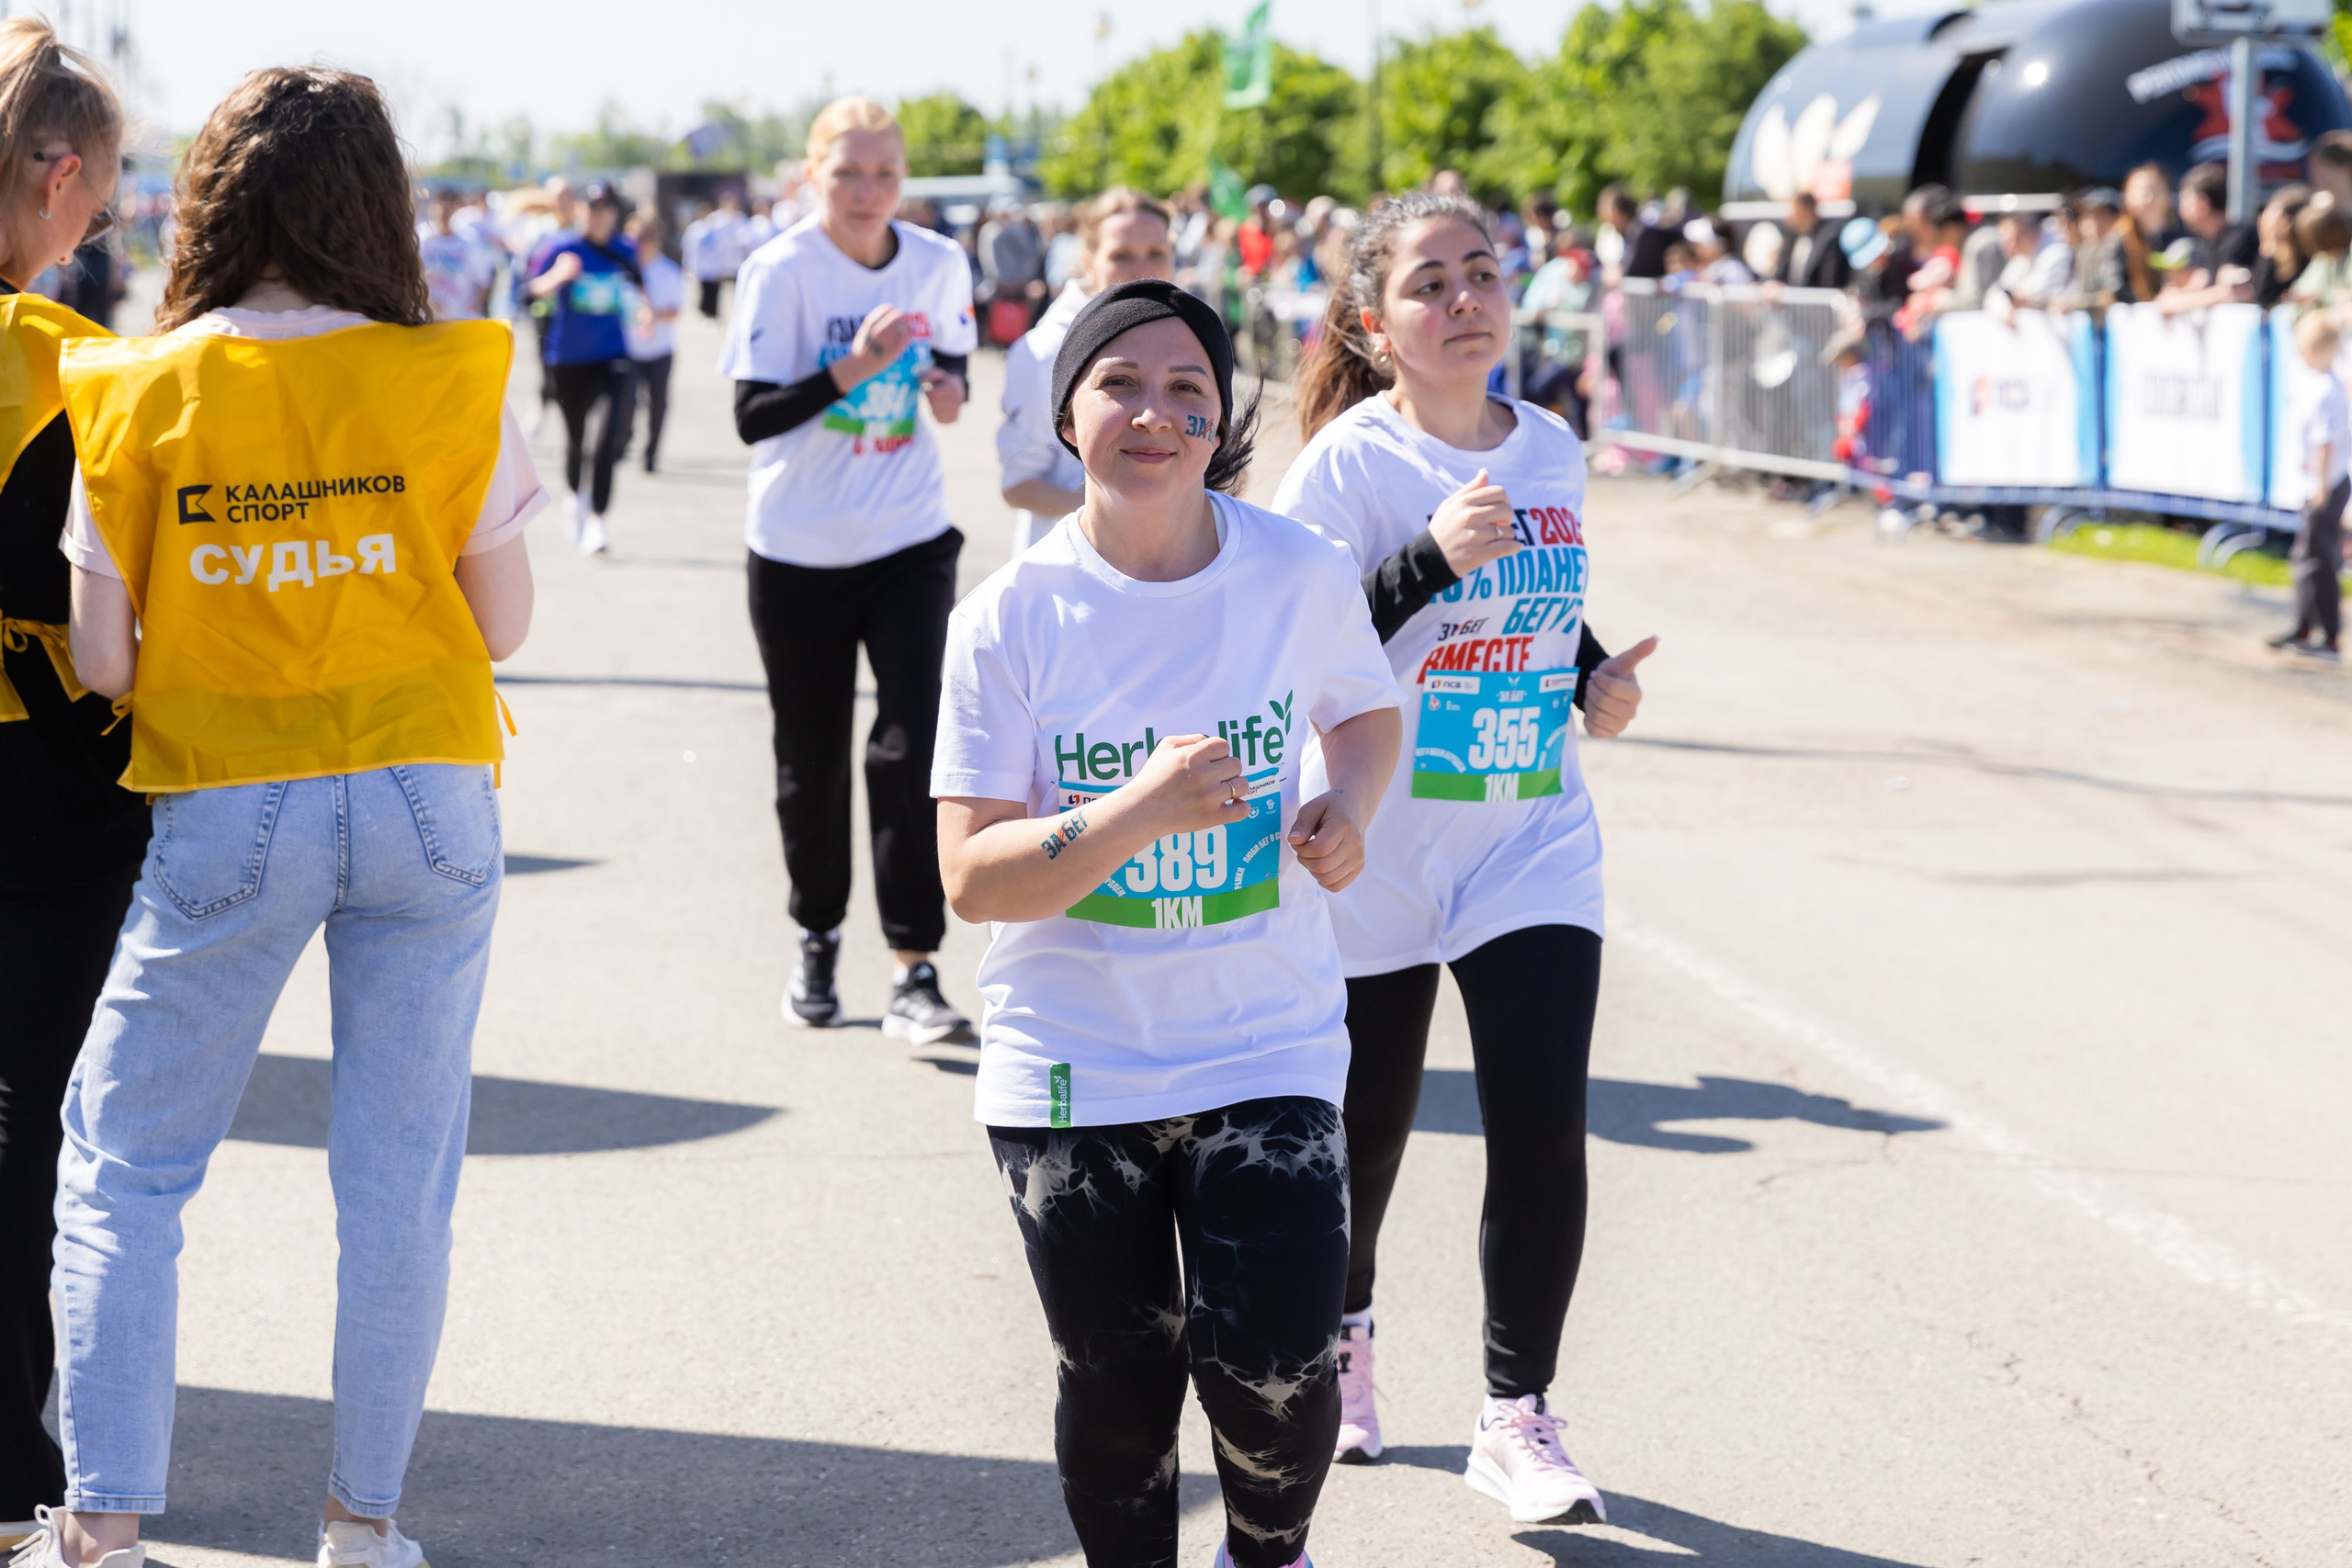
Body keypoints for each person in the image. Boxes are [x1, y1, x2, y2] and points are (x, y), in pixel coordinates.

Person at [27, 63, 541, 1568]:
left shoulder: (135, 387)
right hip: (429, 796)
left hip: (225, 801)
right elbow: (503, 622)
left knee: (125, 1169)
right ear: (378, 204)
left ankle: (103, 1527)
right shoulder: (449, 373)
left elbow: (104, 659)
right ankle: (361, 1523)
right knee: (397, 1188)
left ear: (210, 200)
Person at [933, 276, 1403, 1568]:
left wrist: (1350, 802)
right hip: (1074, 1059)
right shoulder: (1008, 618)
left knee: (1279, 1373)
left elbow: (1364, 713)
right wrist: (1134, 811)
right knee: (1119, 1389)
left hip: (1266, 1036)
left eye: (1187, 388)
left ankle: (1269, 1553)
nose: (1155, 412)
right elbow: (972, 876)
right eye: (1120, 385)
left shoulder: (1296, 571)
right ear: (1067, 416)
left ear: (1222, 418)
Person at [1274, 190, 1656, 1523]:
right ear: (1377, 328)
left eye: (1482, 273)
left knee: (1541, 1121)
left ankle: (1516, 1414)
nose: (1464, 300)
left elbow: (1540, 604)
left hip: (1525, 833)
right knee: (1364, 1131)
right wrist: (1426, 561)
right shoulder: (1347, 469)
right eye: (1430, 284)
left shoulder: (1549, 444)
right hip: (1373, 839)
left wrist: (1592, 677)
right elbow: (1297, 639)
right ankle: (1344, 1333)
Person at [718, 96, 977, 1041]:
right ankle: (817, 935)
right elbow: (752, 417)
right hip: (798, 550)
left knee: (910, 747)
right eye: (848, 173)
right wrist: (854, 367)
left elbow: (954, 369)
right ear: (811, 175)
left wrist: (946, 391)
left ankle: (915, 966)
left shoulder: (937, 262)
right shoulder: (780, 269)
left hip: (908, 540)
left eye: (884, 174)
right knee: (812, 756)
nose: (868, 192)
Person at [0, 20, 139, 1555]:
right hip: (40, 792)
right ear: (55, 177)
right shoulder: (65, 368)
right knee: (28, 1127)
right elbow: (95, 602)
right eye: (101, 193)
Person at [998, 186, 1174, 555]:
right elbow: (1019, 486)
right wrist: (1132, 510)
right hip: (1070, 564)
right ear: (1089, 261)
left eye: (1156, 253)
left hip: (1172, 562)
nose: (1143, 270)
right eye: (1122, 255)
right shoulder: (1045, 351)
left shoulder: (1190, 339)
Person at [529, 180, 639, 554]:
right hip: (568, 357)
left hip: (613, 355)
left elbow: (639, 289)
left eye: (606, 209)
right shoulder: (560, 248)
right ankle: (575, 498)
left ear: (614, 214)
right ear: (580, 210)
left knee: (605, 438)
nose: (599, 216)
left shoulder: (625, 249)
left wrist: (644, 312)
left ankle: (598, 519)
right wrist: (557, 277)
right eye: (593, 208)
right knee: (577, 439)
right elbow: (528, 291)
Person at [2270, 310, 2346, 660]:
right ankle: (2304, 625)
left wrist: (2320, 487)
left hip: (2325, 485)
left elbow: (2325, 443)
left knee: (2319, 560)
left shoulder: (2326, 391)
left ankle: (2328, 634)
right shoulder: (2319, 385)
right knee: (2306, 556)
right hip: (2318, 484)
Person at [622, 209, 681, 472]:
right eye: (635, 237)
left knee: (658, 405)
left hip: (659, 350)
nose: (640, 244)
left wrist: (652, 315)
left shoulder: (668, 271)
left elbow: (676, 310)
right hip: (628, 349)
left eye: (646, 237)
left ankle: (651, 453)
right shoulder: (622, 267)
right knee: (625, 402)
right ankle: (623, 439)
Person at [418, 186, 496, 321]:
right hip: (429, 318)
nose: (444, 212)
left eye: (449, 206)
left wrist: (476, 303)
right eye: (441, 206)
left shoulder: (469, 240)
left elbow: (484, 279)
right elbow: (412, 275)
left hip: (461, 318)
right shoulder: (422, 237)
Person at [683, 188, 746, 319]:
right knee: (705, 294)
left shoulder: (739, 219)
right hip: (706, 267)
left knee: (724, 295)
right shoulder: (708, 223)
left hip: (728, 266)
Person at [1771, 191, 1852, 290]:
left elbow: (1830, 281)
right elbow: (1781, 272)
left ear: (1804, 209)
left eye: (1793, 212)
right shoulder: (1792, 238)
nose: (1787, 218)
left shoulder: (1829, 237)